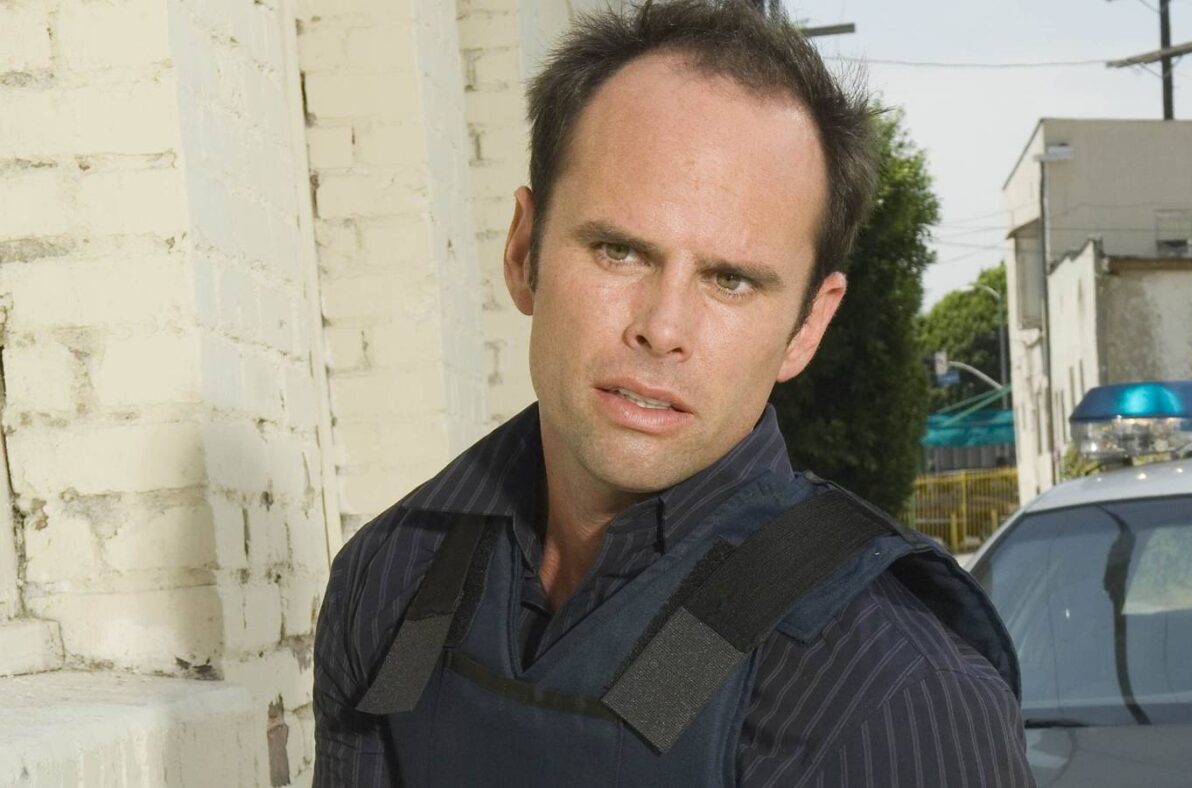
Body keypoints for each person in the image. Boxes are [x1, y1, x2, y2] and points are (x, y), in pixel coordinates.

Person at [312, 2, 1031, 785]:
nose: (662, 328)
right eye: (618, 250)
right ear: (523, 251)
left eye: (731, 280)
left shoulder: (891, 691)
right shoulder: (391, 578)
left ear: (807, 326)